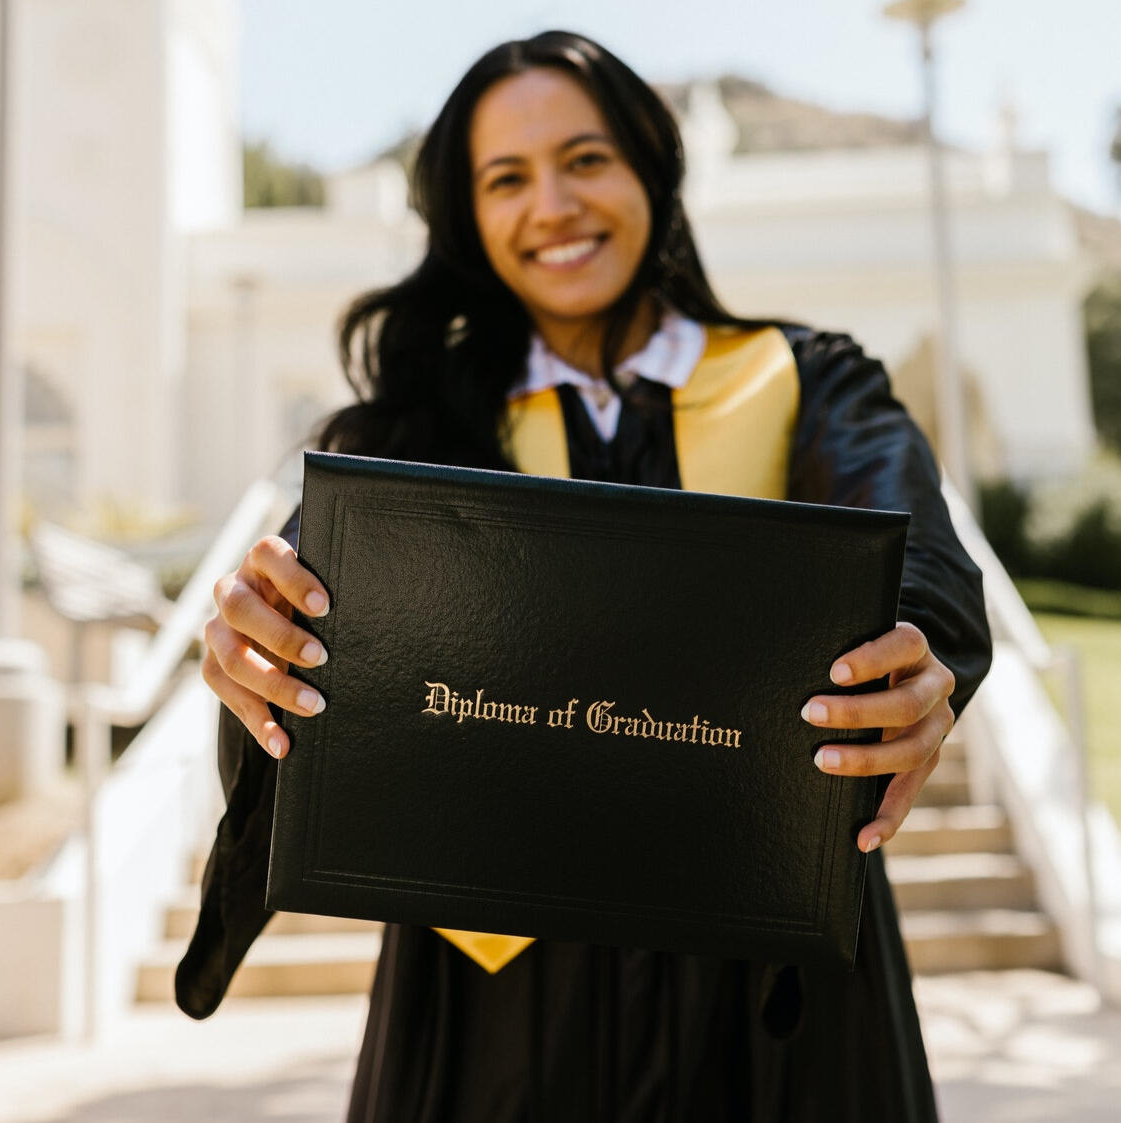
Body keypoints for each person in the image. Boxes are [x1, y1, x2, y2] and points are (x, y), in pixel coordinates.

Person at [181, 30, 992, 1122]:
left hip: (774, 994)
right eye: (506, 179)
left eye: (587, 159)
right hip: (497, 1000)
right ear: (468, 218)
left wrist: (920, 653)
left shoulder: (804, 381)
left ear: (654, 169)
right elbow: (298, 635)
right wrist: (255, 645)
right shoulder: (412, 438)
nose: (552, 204)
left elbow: (917, 555)